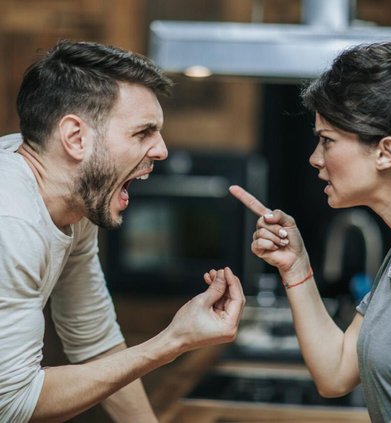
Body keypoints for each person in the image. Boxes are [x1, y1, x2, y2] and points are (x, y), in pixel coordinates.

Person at [230, 26, 391, 423]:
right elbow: (336, 372)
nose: (315, 158)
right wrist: (296, 267)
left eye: (327, 140)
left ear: (385, 152)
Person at [0, 40, 245, 422]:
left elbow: (94, 338)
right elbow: (13, 402)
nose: (161, 150)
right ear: (75, 138)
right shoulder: (11, 223)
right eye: (143, 132)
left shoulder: (72, 198)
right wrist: (173, 341)